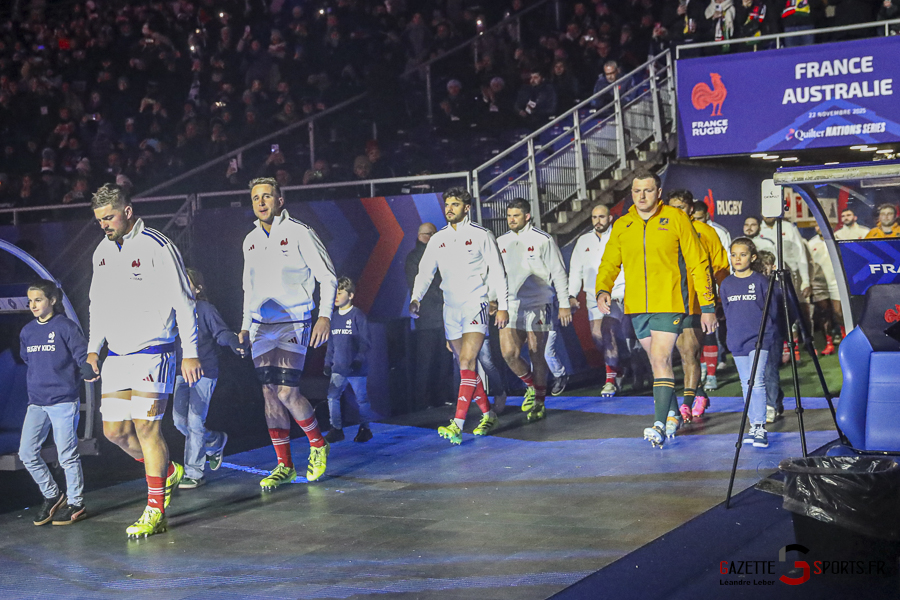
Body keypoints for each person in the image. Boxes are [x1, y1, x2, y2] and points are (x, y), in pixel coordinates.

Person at [86, 183, 200, 538]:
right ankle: (165, 473)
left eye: (109, 217)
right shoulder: (101, 252)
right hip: (117, 356)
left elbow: (185, 302)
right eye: (99, 220)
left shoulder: (158, 246)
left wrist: (191, 351)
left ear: (128, 211)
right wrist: (94, 347)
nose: (104, 225)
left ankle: (155, 510)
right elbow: (97, 304)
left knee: (147, 428)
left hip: (154, 353)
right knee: (114, 432)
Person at [595, 170, 717, 448]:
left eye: (647, 190)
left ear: (658, 193)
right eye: (636, 191)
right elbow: (609, 262)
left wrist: (708, 305)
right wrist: (603, 288)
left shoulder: (676, 219)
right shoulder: (623, 225)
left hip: (670, 302)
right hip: (636, 307)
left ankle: (659, 424)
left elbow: (699, 263)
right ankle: (673, 412)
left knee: (661, 359)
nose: (641, 196)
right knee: (656, 363)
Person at [239, 177, 337, 489]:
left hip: (294, 321)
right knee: (269, 393)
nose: (261, 202)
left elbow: (328, 277)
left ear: (280, 200)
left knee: (286, 391)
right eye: (256, 198)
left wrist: (324, 317)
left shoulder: (299, 232)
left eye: (267, 196)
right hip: (260, 326)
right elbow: (248, 288)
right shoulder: (250, 240)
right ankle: (284, 465)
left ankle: (318, 443)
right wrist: (244, 326)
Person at [410, 187, 509, 444]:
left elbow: (498, 272)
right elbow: (425, 272)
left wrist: (503, 304)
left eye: (455, 204)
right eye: (447, 204)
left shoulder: (481, 235)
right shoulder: (438, 238)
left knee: (467, 362)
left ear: (467, 208)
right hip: (450, 307)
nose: (449, 209)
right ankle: (488, 414)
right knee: (463, 366)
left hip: (475, 302)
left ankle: (457, 423)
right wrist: (415, 298)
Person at [18, 280, 91, 526]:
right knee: (27, 453)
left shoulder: (66, 327)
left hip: (63, 401)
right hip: (36, 402)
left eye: (38, 299)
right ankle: (52, 495)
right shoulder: (27, 331)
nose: (33, 305)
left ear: (53, 300)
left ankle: (76, 502)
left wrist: (88, 370)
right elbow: (27, 358)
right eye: (30, 301)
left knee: (66, 455)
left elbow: (82, 356)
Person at [496, 198, 571, 423]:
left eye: (516, 216)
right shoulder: (501, 242)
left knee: (538, 354)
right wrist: (492, 299)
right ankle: (531, 386)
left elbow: (558, 272)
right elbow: (495, 274)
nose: (511, 220)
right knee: (509, 354)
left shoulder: (543, 240)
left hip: (540, 304)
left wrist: (564, 303)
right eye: (509, 216)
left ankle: (539, 402)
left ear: (527, 216)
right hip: (511, 305)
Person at [172, 268, 243, 489]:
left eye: (188, 283)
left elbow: (221, 333)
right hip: (180, 374)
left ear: (198, 288)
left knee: (194, 421)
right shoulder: (172, 311)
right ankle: (214, 441)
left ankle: (194, 473)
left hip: (204, 371)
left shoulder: (204, 309)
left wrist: (233, 342)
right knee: (179, 421)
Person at [665, 191, 729, 422]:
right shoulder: (663, 232)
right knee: (675, 355)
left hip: (696, 303)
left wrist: (719, 300)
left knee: (689, 352)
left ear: (691, 210)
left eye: (681, 207)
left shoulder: (705, 232)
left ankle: (688, 403)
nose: (676, 211)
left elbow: (721, 267)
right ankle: (699, 393)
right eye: (672, 207)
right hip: (668, 302)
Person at [720, 238, 780, 448]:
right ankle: (753, 425)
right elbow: (728, 313)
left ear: (753, 257)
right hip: (737, 339)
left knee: (757, 380)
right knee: (746, 382)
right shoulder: (726, 284)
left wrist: (767, 335)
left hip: (759, 339)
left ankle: (761, 427)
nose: (738, 259)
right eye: (734, 255)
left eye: (743, 254)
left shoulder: (761, 282)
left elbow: (771, 310)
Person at [568, 203, 626, 396]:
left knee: (607, 331)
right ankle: (617, 368)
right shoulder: (583, 241)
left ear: (610, 218)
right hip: (593, 297)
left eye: (602, 217)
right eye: (594, 217)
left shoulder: (619, 236)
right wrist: (571, 295)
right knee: (598, 337)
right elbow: (576, 271)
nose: (597, 221)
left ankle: (609, 380)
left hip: (616, 294)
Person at [404, 222, 453, 410]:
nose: (431, 237)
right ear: (419, 236)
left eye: (434, 233)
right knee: (426, 361)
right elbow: (420, 284)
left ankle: (442, 397)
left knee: (444, 359)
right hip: (427, 318)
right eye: (428, 234)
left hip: (445, 316)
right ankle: (422, 401)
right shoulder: (413, 258)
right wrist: (443, 295)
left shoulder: (442, 255)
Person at [324, 277, 375, 443]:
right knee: (332, 396)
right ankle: (337, 429)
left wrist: (359, 359)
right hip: (338, 367)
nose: (336, 297)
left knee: (361, 399)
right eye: (335, 294)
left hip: (356, 368)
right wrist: (327, 363)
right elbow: (330, 344)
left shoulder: (357, 315)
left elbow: (365, 341)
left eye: (340, 293)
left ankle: (365, 428)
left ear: (351, 295)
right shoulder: (333, 317)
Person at [807, 225, 846, 343]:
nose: (819, 227)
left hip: (836, 281)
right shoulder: (811, 243)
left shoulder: (839, 239)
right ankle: (829, 341)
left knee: (839, 312)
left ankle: (845, 336)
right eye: (817, 225)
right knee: (824, 313)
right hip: (819, 282)